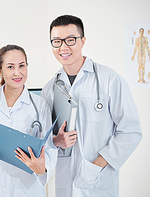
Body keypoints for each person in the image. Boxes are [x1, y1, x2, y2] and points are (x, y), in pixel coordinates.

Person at [41, 15, 142, 197]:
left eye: (70, 40)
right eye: (57, 41)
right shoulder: (49, 88)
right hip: (65, 181)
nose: (63, 47)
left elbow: (131, 131)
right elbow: (44, 138)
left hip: (99, 181)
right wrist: (57, 141)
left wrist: (96, 166)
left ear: (83, 41)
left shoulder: (109, 80)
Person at [0, 44, 58, 197]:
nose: (17, 72)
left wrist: (42, 168)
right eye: (10, 67)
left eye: (22, 66)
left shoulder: (40, 105)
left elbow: (50, 146)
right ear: (0, 70)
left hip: (26, 187)